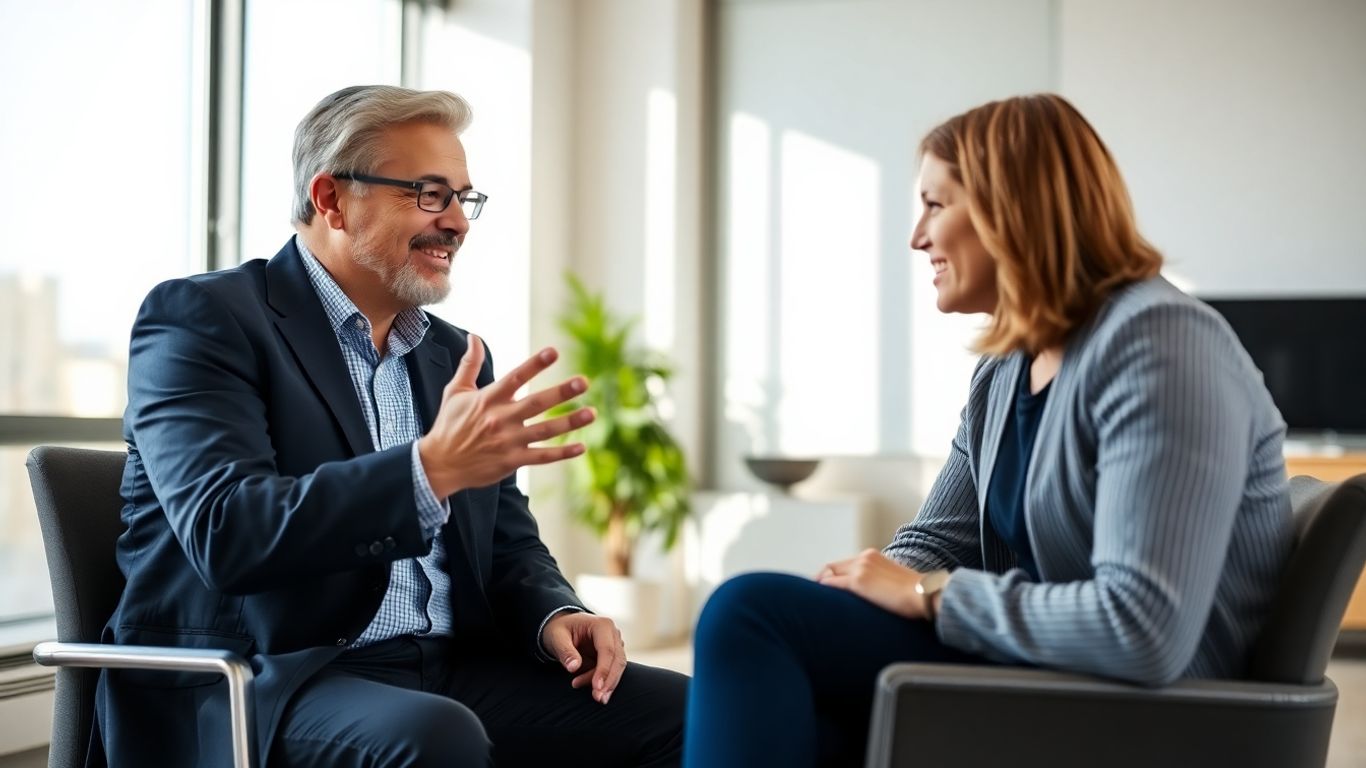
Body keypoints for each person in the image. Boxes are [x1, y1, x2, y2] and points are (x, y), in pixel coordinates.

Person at [684, 93, 1293, 767]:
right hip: (1062, 676)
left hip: (1154, 711)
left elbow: (1144, 629)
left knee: (748, 614)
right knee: (794, 675)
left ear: (1010, 211)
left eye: (935, 205)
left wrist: (927, 594)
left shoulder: (1159, 343)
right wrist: (839, 601)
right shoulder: (1007, 368)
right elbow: (934, 538)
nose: (917, 236)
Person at [104, 85, 687, 767]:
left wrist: (557, 614)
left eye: (462, 198)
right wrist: (428, 470)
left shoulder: (454, 355)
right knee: (435, 737)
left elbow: (504, 543)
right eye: (428, 194)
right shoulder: (204, 320)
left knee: (691, 714)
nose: (458, 223)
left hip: (445, 666)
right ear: (331, 200)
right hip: (269, 679)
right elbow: (229, 530)